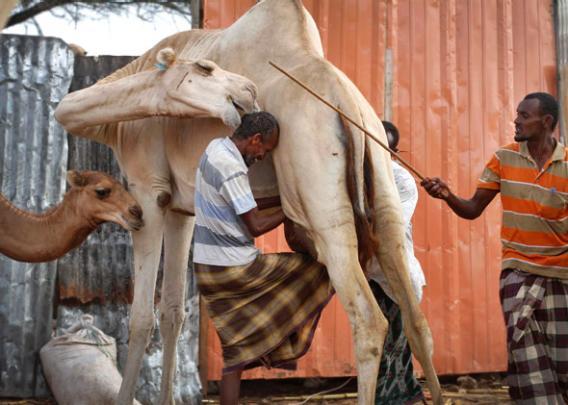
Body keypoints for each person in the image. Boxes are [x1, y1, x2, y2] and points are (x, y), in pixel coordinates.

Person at [421, 92, 567, 404]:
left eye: (524, 115)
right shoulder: (503, 158)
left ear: (547, 122)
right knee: (526, 356)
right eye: (517, 113)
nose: (516, 120)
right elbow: (472, 209)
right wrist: (447, 195)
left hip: (562, 277)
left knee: (562, 363)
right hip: (517, 274)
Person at [193, 112, 332, 405]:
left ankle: (258, 348)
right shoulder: (231, 168)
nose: (262, 156)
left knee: (234, 356)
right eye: (264, 150)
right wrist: (294, 206)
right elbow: (255, 224)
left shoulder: (215, 148)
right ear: (255, 139)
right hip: (235, 268)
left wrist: (283, 199)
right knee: (320, 270)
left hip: (207, 267)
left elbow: (244, 205)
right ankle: (272, 349)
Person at [369, 121, 426, 405]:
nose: (378, 154)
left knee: (393, 351)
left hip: (398, 277)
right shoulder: (357, 175)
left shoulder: (401, 180)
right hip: (369, 276)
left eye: (385, 148)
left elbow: (388, 230)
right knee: (380, 350)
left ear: (394, 152)